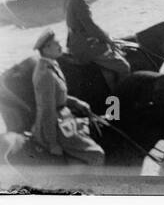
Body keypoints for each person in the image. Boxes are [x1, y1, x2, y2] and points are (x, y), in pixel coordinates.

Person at [31, 28, 107, 165]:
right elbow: (47, 111)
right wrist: (53, 143)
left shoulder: (51, 65)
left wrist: (77, 102)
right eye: (57, 44)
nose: (61, 46)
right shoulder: (46, 74)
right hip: (54, 126)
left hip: (63, 117)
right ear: (47, 49)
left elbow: (57, 96)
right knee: (97, 155)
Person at [63, 0, 130, 89]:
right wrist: (107, 38)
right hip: (84, 45)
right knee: (123, 67)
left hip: (75, 40)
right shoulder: (78, 0)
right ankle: (120, 99)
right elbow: (90, 26)